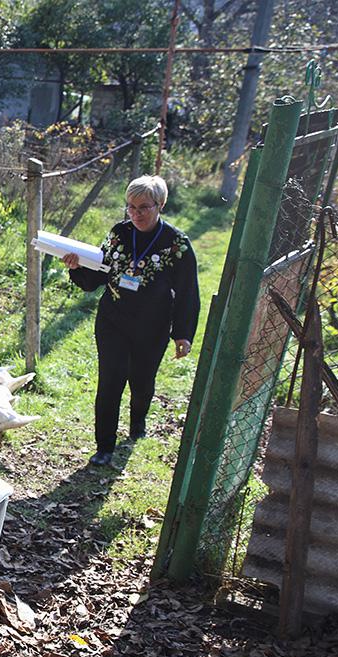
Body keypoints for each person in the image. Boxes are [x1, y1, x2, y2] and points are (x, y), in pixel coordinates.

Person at [63, 175, 200, 467]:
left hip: (152, 327)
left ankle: (138, 422)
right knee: (110, 382)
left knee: (141, 382)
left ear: (160, 205)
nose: (136, 214)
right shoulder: (119, 234)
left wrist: (183, 334)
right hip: (113, 321)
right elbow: (97, 276)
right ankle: (104, 447)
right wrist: (77, 268)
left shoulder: (177, 245)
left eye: (144, 208)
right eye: (131, 207)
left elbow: (188, 292)